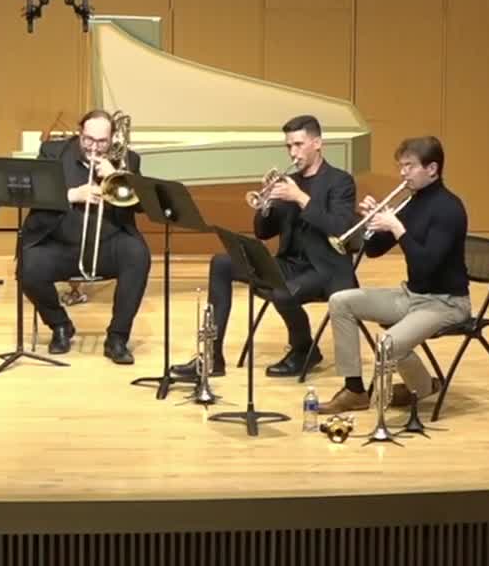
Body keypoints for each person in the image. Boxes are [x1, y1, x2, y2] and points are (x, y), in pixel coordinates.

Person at [175, 115, 357, 380]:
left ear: (317, 143)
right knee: (222, 263)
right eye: (289, 146)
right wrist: (266, 206)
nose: (293, 153)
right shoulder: (288, 181)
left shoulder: (340, 181)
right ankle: (212, 356)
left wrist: (301, 198)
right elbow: (263, 232)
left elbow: (340, 227)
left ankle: (303, 349)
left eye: (298, 144)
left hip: (326, 269)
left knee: (282, 292)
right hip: (290, 263)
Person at [320, 135, 472, 414]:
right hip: (412, 295)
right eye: (401, 166)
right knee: (340, 301)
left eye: (409, 166)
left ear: (432, 169)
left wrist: (397, 227)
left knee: (387, 345)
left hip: (446, 303)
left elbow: (426, 264)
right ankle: (355, 390)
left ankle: (421, 388)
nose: (403, 173)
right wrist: (372, 223)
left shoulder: (449, 209)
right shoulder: (412, 203)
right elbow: (375, 250)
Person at [17, 109, 151, 364]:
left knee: (138, 255)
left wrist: (115, 177)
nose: (94, 147)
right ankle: (60, 325)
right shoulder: (53, 153)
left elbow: (142, 205)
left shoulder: (127, 160)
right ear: (80, 133)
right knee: (28, 268)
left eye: (102, 141)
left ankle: (117, 337)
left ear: (112, 138)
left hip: (107, 245)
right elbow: (34, 192)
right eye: (88, 139)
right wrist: (72, 195)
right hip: (59, 243)